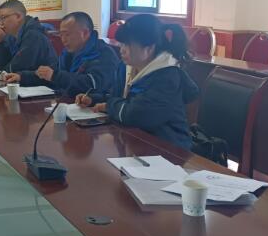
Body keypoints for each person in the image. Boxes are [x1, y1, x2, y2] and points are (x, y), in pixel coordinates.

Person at [77, 14, 199, 150]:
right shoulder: (126, 66)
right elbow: (118, 98)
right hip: (133, 142)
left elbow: (138, 115)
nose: (121, 49)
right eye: (121, 43)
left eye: (127, 44)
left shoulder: (167, 76)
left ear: (149, 48)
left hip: (168, 150)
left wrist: (109, 106)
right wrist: (94, 99)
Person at [5, 11, 120, 97]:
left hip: (93, 110)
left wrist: (55, 76)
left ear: (85, 33)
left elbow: (91, 85)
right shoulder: (68, 52)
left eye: (67, 34)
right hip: (67, 103)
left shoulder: (104, 54)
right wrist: (22, 77)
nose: (63, 40)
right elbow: (52, 75)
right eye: (61, 34)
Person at [0, 0, 58, 73]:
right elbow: (2, 65)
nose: (0, 23)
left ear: (18, 16)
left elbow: (16, 68)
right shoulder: (11, 36)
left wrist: (4, 71)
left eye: (3, 18)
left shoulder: (33, 35)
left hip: (43, 80)